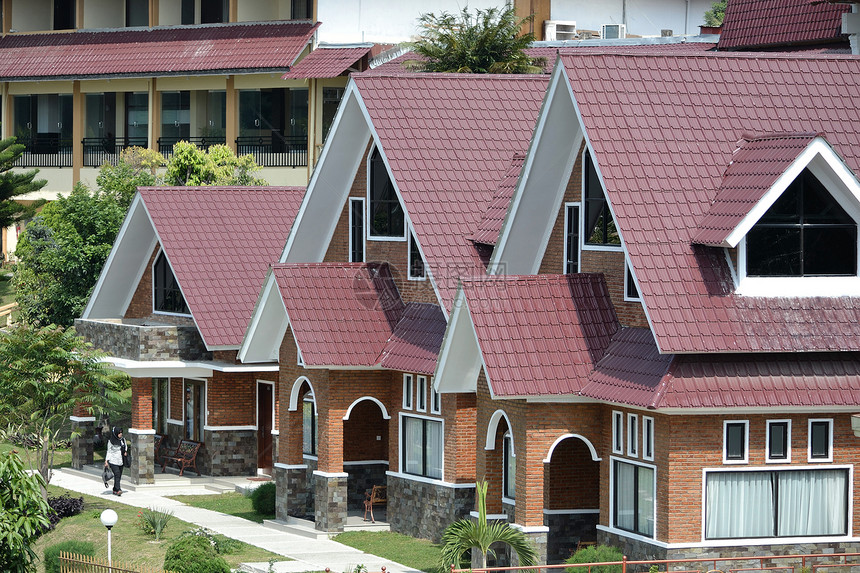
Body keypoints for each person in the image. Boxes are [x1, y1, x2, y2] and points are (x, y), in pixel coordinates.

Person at [104, 426, 126, 496]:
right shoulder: (111, 441)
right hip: (113, 461)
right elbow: (109, 451)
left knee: (119, 475)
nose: (120, 434)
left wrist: (125, 451)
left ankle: (115, 489)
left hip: (121, 460)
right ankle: (118, 489)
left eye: (121, 433)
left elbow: (125, 446)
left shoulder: (123, 440)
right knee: (117, 474)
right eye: (119, 433)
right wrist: (106, 461)